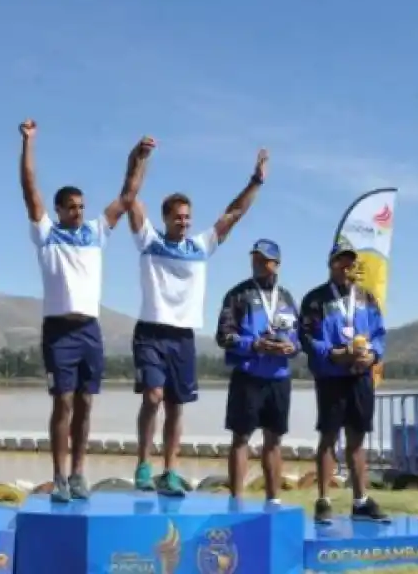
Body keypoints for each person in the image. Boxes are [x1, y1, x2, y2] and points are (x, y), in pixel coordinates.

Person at [19, 119, 154, 502]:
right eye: (71, 208)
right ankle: (59, 475)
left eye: (81, 207)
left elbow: (128, 196)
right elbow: (30, 187)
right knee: (62, 402)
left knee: (85, 403)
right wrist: (29, 143)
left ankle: (79, 473)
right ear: (59, 210)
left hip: (89, 331)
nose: (78, 212)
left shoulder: (96, 231)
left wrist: (138, 158)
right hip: (58, 331)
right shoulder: (46, 234)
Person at [130, 149, 268, 497]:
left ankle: (170, 471)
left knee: (176, 406)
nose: (185, 222)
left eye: (188, 217)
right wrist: (138, 160)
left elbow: (233, 214)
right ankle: (144, 465)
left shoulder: (200, 245)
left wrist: (256, 181)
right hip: (151, 332)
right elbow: (130, 198)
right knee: (153, 396)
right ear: (165, 217)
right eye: (178, 217)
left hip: (183, 337)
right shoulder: (149, 241)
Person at [298, 243, 388, 524]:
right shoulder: (315, 299)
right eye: (341, 262)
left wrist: (372, 355)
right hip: (331, 376)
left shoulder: (367, 298)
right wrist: (334, 354)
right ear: (331, 264)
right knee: (328, 437)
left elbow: (379, 333)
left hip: (360, 376)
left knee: (357, 439)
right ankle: (324, 500)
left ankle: (360, 501)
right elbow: (307, 336)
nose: (346, 267)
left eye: (351, 262)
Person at [215, 239, 299, 503]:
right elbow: (223, 336)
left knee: (274, 440)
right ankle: (236, 499)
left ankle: (273, 500)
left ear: (277, 265)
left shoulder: (286, 298)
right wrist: (253, 344)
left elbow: (298, 338)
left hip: (278, 378)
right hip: (248, 376)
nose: (258, 264)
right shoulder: (237, 295)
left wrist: (290, 347)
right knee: (241, 438)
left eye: (264, 260)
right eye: (255, 259)